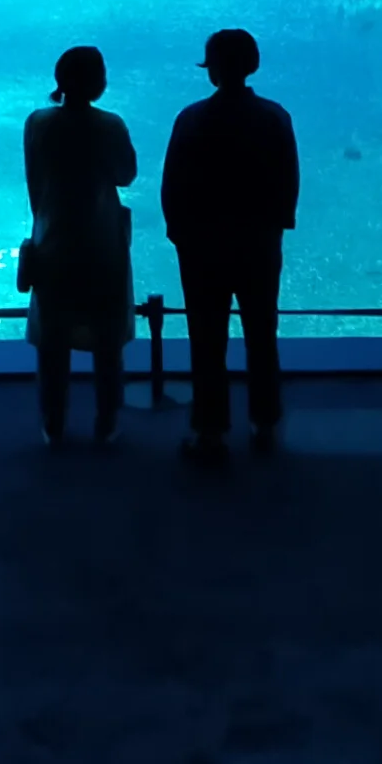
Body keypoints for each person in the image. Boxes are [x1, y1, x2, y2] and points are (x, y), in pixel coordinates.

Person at [161, 26, 298, 459]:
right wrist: (278, 224)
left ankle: (210, 430)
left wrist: (178, 232)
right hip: (258, 242)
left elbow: (172, 185)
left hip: (201, 247)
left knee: (206, 338)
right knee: (262, 333)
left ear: (211, 71)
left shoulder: (191, 118)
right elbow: (288, 179)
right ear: (252, 64)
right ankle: (265, 422)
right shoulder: (275, 116)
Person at [23, 45, 137, 447]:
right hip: (101, 240)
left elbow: (34, 181)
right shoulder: (111, 125)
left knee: (53, 337)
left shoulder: (37, 123)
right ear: (98, 82)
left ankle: (53, 423)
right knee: (107, 337)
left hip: (53, 238)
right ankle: (106, 422)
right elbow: (126, 174)